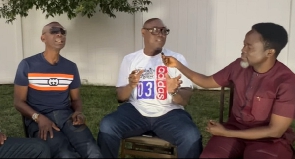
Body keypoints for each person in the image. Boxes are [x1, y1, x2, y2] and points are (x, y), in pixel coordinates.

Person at [162, 22, 295, 159]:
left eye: (249, 47)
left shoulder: (287, 82)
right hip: (235, 128)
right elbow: (206, 82)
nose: (243, 49)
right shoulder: (238, 66)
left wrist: (226, 133)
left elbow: (275, 131)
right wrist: (177, 65)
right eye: (244, 44)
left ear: (269, 52)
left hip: (267, 140)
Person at [97, 18, 203, 158]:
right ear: (143, 32)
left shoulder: (176, 59)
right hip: (136, 111)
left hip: (169, 113)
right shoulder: (130, 59)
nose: (160, 34)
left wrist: (173, 91)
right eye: (155, 30)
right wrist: (131, 85)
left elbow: (184, 100)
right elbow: (121, 97)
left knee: (191, 136)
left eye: (164, 31)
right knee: (107, 126)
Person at [13, 22, 102, 158]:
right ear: (43, 38)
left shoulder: (71, 67)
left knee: (93, 152)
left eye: (62, 31)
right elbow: (19, 102)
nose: (60, 34)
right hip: (39, 118)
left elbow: (76, 99)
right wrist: (38, 118)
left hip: (66, 117)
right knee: (65, 154)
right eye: (54, 31)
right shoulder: (28, 65)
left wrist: (78, 112)